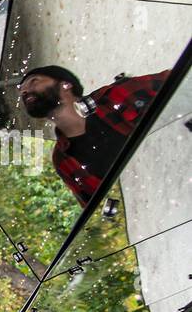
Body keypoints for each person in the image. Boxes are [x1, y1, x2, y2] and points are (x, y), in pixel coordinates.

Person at [18, 65, 170, 207]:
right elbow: (98, 211)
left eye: (33, 82)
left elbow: (180, 78)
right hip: (162, 203)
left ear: (66, 85)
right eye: (22, 91)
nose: (25, 92)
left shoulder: (115, 95)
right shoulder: (62, 160)